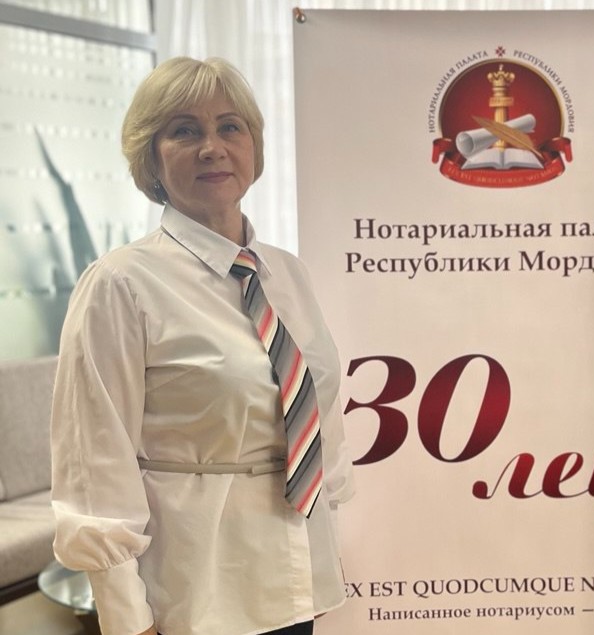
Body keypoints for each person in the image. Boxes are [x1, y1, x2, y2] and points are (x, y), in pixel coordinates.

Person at [50, 57, 354, 635]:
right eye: (185, 130)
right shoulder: (120, 284)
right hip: (196, 593)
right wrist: (128, 618)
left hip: (296, 580)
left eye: (229, 127)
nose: (212, 147)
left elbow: (322, 417)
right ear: (151, 158)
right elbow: (94, 464)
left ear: (253, 147)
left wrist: (325, 548)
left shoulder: (287, 273)